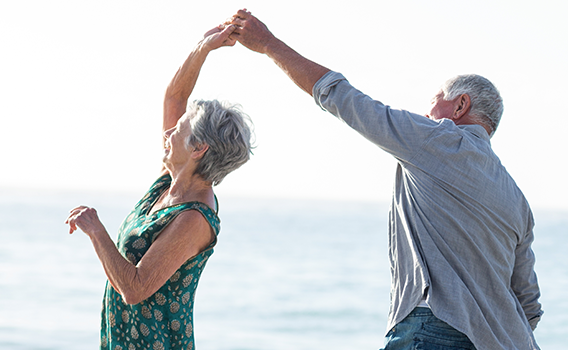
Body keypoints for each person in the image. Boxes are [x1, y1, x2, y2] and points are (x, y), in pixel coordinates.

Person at [226, 9, 542, 350]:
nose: (426, 113)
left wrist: (269, 44)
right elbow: (528, 302)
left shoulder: (435, 140)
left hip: (434, 331)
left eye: (435, 101)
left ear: (460, 105)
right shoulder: (517, 199)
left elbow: (341, 97)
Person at [65, 23, 253, 350]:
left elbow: (135, 289)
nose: (168, 135)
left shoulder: (194, 219)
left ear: (198, 149)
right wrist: (203, 48)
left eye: (178, 130)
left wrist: (96, 230)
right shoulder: (170, 181)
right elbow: (175, 97)